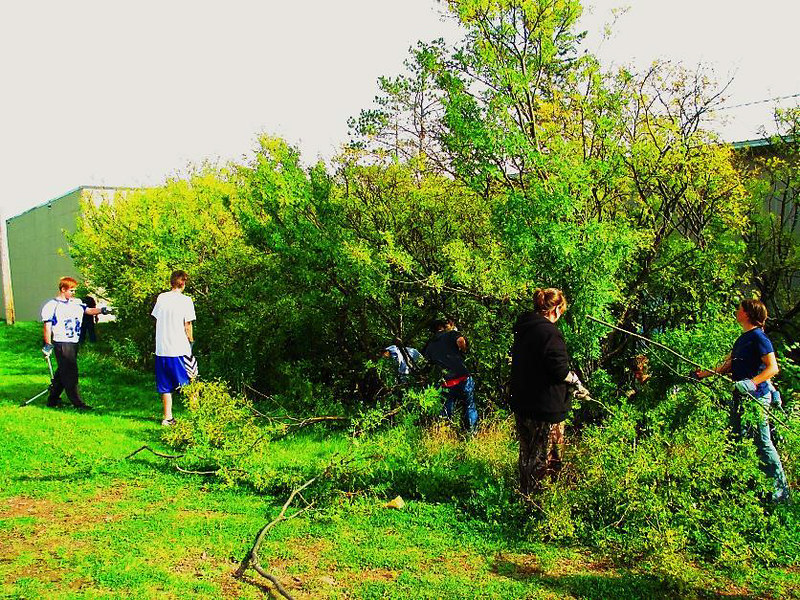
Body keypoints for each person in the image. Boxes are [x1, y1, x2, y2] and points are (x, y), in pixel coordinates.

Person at [693, 299, 790, 503]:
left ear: (747, 314)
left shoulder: (759, 337)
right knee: (735, 439)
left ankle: (780, 494)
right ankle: (741, 490)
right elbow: (728, 365)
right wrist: (702, 374)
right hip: (740, 397)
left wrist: (752, 383)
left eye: (740, 309)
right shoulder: (742, 339)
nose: (737, 311)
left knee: (762, 443)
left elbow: (773, 368)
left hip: (756, 398)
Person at [509, 288, 590, 496]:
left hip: (523, 403)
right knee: (545, 458)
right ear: (554, 309)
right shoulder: (550, 333)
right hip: (546, 409)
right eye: (561, 310)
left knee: (527, 455)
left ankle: (525, 496)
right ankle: (541, 505)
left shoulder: (524, 328)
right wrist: (577, 384)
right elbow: (559, 370)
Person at [41, 277, 107, 409]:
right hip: (62, 343)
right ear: (63, 289)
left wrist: (102, 310)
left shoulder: (76, 302)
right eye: (71, 290)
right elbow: (47, 327)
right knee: (70, 373)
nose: (74, 292)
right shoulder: (51, 305)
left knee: (62, 372)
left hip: (74, 342)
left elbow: (88, 311)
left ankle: (52, 400)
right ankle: (78, 403)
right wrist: (48, 345)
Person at [152, 270, 197, 426]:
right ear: (183, 283)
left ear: (171, 282)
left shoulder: (161, 298)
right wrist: (191, 341)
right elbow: (188, 324)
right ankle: (196, 414)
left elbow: (157, 317)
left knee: (165, 385)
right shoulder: (186, 301)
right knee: (190, 383)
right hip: (180, 349)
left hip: (162, 349)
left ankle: (167, 417)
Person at [423, 318, 478, 432]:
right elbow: (461, 341)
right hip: (462, 377)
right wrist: (463, 351)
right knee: (469, 406)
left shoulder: (429, 346)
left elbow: (426, 364)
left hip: (446, 382)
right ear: (443, 327)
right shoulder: (451, 334)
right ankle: (471, 433)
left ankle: (445, 435)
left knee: (446, 411)